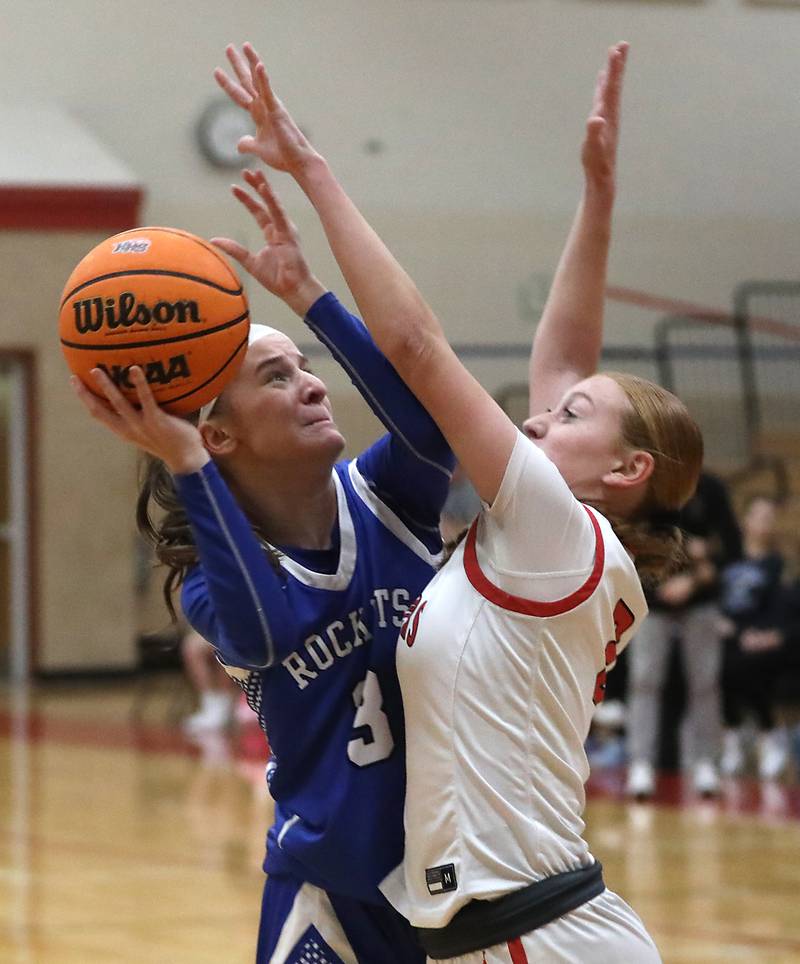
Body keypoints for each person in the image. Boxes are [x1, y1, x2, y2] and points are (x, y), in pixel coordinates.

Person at [230, 39, 703, 963]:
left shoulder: (556, 531)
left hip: (539, 939)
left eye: (567, 417)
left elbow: (413, 344)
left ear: (627, 472)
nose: (536, 419)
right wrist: (599, 200)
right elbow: (566, 356)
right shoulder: (564, 533)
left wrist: (317, 176)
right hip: (524, 935)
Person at [73, 164, 454, 959]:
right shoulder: (217, 584)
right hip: (331, 900)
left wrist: (313, 297)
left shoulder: (389, 494)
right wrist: (185, 463)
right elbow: (265, 629)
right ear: (219, 438)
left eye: (307, 366)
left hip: (457, 887)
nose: (314, 386)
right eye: (278, 378)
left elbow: (433, 421)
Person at [625, 471, 741, 799]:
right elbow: (632, 544)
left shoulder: (711, 488)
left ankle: (706, 762)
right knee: (644, 681)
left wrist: (696, 579)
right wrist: (662, 586)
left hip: (701, 602)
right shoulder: (646, 486)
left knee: (704, 682)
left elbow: (733, 546)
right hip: (651, 601)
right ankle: (640, 763)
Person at [718, 494, 790, 780]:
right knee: (721, 666)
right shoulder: (728, 558)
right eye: (758, 516)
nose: (764, 523)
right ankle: (733, 737)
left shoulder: (777, 564)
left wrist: (766, 634)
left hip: (761, 636)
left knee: (753, 665)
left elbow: (780, 607)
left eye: (769, 518)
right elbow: (715, 599)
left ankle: (768, 735)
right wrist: (721, 623)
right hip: (728, 635)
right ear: (745, 520)